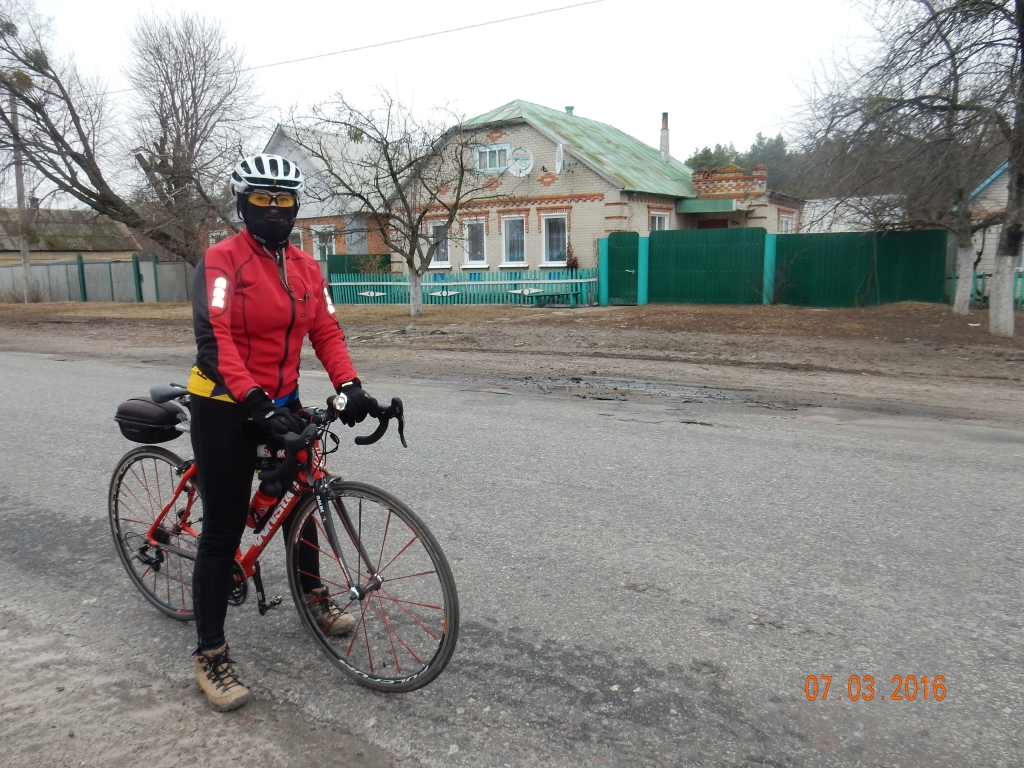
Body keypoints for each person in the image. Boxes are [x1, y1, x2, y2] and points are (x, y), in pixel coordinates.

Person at [187, 154, 377, 711]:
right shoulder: (221, 261)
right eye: (262, 199)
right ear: (243, 203)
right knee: (223, 530)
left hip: (280, 401)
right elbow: (214, 340)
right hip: (224, 403)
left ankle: (312, 593)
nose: (274, 210)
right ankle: (210, 651)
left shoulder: (306, 266)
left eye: (284, 200)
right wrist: (254, 402)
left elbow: (326, 330)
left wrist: (350, 384)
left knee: (303, 499)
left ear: (296, 207)